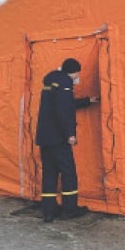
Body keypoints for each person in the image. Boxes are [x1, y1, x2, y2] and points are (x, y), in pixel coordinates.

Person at [35, 58, 99, 223]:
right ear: (74, 71)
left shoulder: (51, 81)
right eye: (77, 72)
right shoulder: (64, 83)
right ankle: (70, 209)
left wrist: (86, 101)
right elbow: (63, 110)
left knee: (49, 173)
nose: (78, 76)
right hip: (58, 138)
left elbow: (63, 104)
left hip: (45, 137)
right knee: (68, 172)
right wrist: (70, 134)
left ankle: (49, 211)